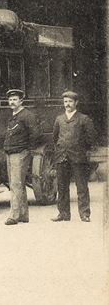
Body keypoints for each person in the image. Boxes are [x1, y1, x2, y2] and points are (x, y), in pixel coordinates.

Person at [51, 91, 97, 223]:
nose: (67, 104)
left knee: (81, 186)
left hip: (78, 157)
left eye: (70, 101)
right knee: (62, 187)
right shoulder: (59, 119)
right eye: (65, 102)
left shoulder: (83, 119)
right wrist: (60, 150)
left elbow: (91, 138)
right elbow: (55, 138)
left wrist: (81, 150)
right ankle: (63, 214)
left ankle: (84, 214)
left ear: (76, 103)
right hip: (62, 157)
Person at [3, 89, 41, 226]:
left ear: (21, 101)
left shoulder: (27, 115)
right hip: (11, 153)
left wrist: (27, 150)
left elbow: (35, 134)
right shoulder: (13, 115)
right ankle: (23, 215)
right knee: (18, 184)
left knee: (15, 184)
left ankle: (13, 216)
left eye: (15, 99)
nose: (12, 102)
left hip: (20, 153)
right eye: (10, 100)